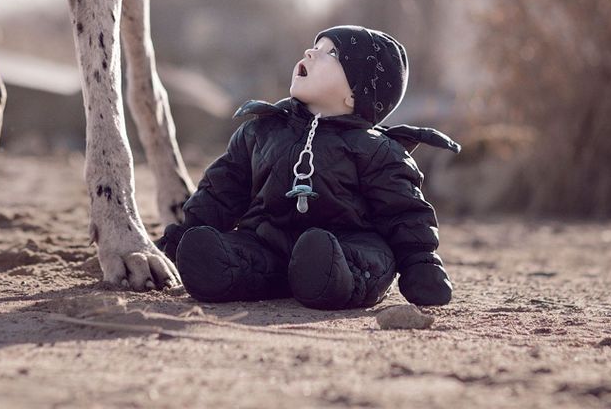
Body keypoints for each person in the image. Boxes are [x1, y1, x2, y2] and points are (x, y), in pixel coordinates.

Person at [156, 26, 460, 309]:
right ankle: (221, 268)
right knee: (230, 250)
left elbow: (403, 212)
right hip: (268, 241)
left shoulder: (376, 149)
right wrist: (183, 233)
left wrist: (421, 263)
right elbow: (222, 188)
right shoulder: (262, 131)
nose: (311, 53)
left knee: (368, 259)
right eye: (315, 46)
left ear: (355, 93)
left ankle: (331, 276)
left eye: (332, 53)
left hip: (347, 244)